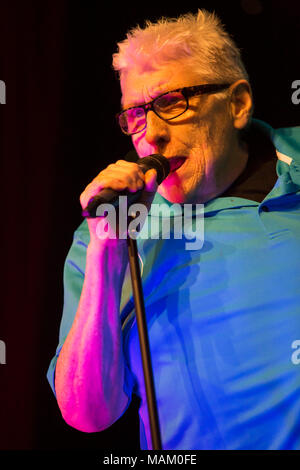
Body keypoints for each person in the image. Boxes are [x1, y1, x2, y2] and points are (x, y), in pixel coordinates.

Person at [47, 10, 300, 450]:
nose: (152, 137)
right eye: (137, 114)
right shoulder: (106, 233)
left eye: (172, 103)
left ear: (237, 104)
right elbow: (87, 414)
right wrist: (107, 258)